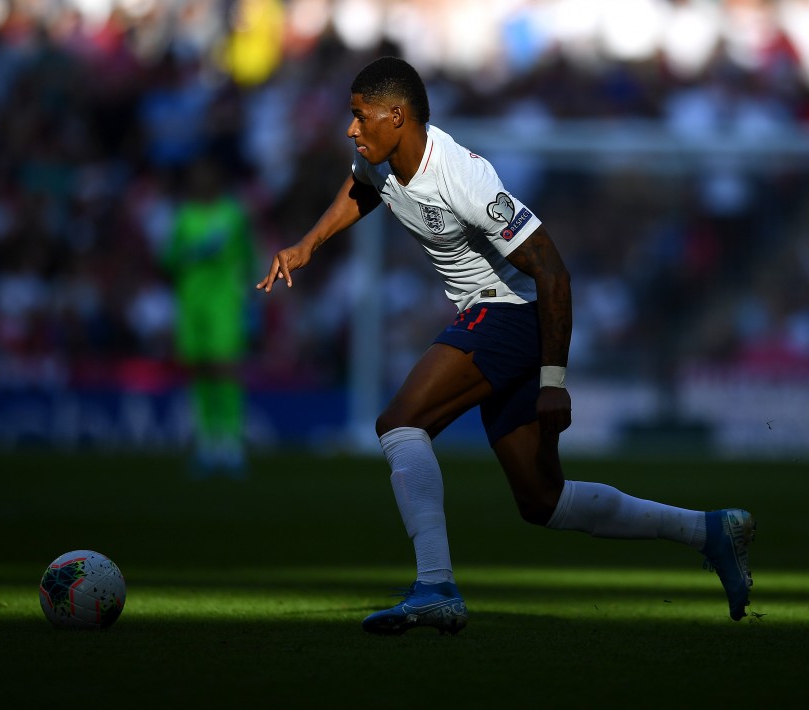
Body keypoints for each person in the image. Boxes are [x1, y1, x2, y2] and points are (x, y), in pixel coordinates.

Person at [256, 57, 755, 635]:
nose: (351, 128)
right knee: (543, 501)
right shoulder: (382, 161)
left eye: (359, 116)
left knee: (399, 422)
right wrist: (308, 244)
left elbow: (553, 273)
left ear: (396, 116)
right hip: (489, 314)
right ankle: (710, 531)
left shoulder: (465, 179)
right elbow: (360, 188)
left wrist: (553, 383)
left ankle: (436, 586)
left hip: (512, 312)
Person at [165, 158, 256, 478]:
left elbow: (247, 256)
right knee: (199, 370)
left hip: (224, 305)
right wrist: (192, 253)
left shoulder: (232, 214)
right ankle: (207, 441)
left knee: (226, 369)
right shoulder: (184, 216)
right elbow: (168, 258)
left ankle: (230, 442)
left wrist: (250, 299)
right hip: (191, 304)